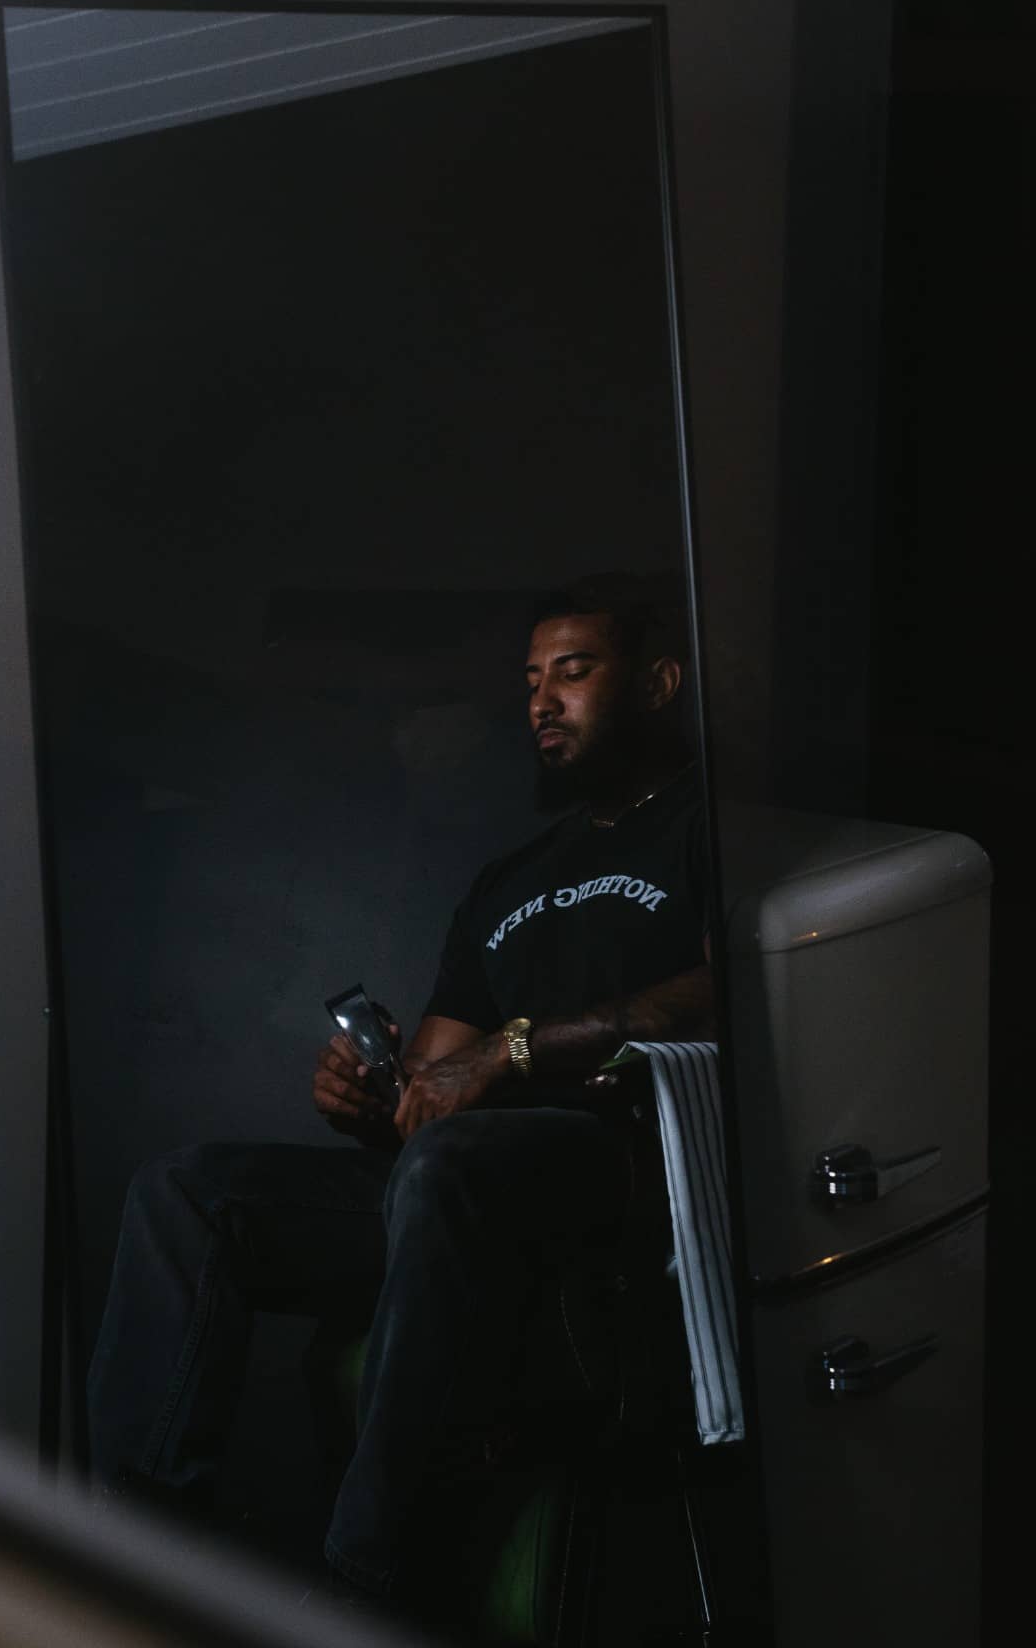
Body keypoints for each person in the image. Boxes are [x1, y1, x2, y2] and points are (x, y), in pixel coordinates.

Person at [86, 573, 714, 1614]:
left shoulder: (705, 826)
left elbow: (719, 985)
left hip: (610, 1160)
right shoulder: (513, 876)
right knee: (189, 1189)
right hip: (452, 1182)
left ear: (655, 682)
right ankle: (132, 1561)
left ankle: (366, 1575)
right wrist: (373, 1097)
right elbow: (430, 1082)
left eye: (573, 670)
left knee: (451, 1159)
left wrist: (510, 1053)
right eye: (529, 678)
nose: (540, 699)